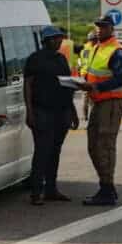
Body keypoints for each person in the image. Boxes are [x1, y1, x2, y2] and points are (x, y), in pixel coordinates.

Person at [24, 26, 79, 206]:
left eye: (60, 38)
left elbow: (67, 85)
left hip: (61, 111)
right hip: (42, 112)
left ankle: (51, 189)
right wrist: (30, 112)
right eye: (55, 39)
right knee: (42, 151)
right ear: (46, 41)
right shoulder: (35, 59)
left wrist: (73, 111)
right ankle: (36, 191)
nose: (59, 41)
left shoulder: (61, 59)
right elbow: (28, 86)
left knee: (55, 151)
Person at [79, 15, 122, 206]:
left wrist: (97, 88)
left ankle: (107, 189)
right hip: (97, 102)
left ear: (111, 29)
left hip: (110, 103)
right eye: (98, 26)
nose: (100, 29)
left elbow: (120, 78)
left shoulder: (117, 51)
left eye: (104, 26)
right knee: (93, 145)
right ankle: (107, 186)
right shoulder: (96, 48)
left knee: (104, 145)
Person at [79, 31, 98, 121]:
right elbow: (88, 63)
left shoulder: (84, 49)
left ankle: (85, 116)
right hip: (89, 74)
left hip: (84, 74)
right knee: (90, 97)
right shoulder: (93, 49)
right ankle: (90, 116)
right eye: (95, 39)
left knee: (85, 96)